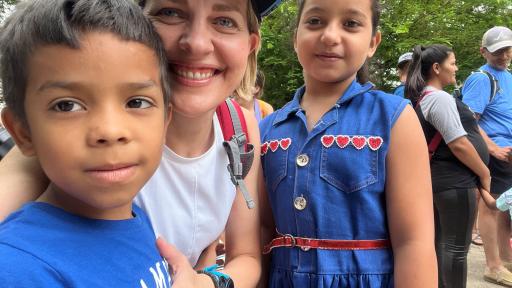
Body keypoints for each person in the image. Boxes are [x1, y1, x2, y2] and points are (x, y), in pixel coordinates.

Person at [0, 0, 282, 287]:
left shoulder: (239, 128)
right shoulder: (68, 155)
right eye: (170, 12)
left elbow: (244, 255)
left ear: (250, 45)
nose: (197, 44)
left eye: (224, 21)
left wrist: (205, 283)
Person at [258, 0, 437, 287]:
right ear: (295, 38)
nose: (329, 36)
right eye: (315, 21)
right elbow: (262, 231)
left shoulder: (394, 118)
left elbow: (413, 242)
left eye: (351, 24)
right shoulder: (267, 129)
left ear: (372, 43)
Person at [0, 0, 172, 286]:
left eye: (137, 102)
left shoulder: (134, 217)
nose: (110, 130)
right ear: (23, 132)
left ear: (166, 120)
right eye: (67, 106)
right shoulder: (20, 269)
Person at [405, 44, 491, 288]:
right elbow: (459, 144)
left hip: (441, 182)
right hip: (455, 183)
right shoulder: (439, 98)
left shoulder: (422, 98)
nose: (456, 68)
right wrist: (484, 174)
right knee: (455, 250)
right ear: (436, 67)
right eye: (452, 63)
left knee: (442, 246)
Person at [460, 26, 512, 286]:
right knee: (491, 205)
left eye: (507, 50)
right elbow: (469, 120)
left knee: (506, 207)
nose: (503, 56)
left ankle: (505, 259)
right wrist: (492, 148)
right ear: (484, 52)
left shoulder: (509, 77)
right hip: (496, 151)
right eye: (497, 51)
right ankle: (493, 265)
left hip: (509, 151)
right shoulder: (481, 78)